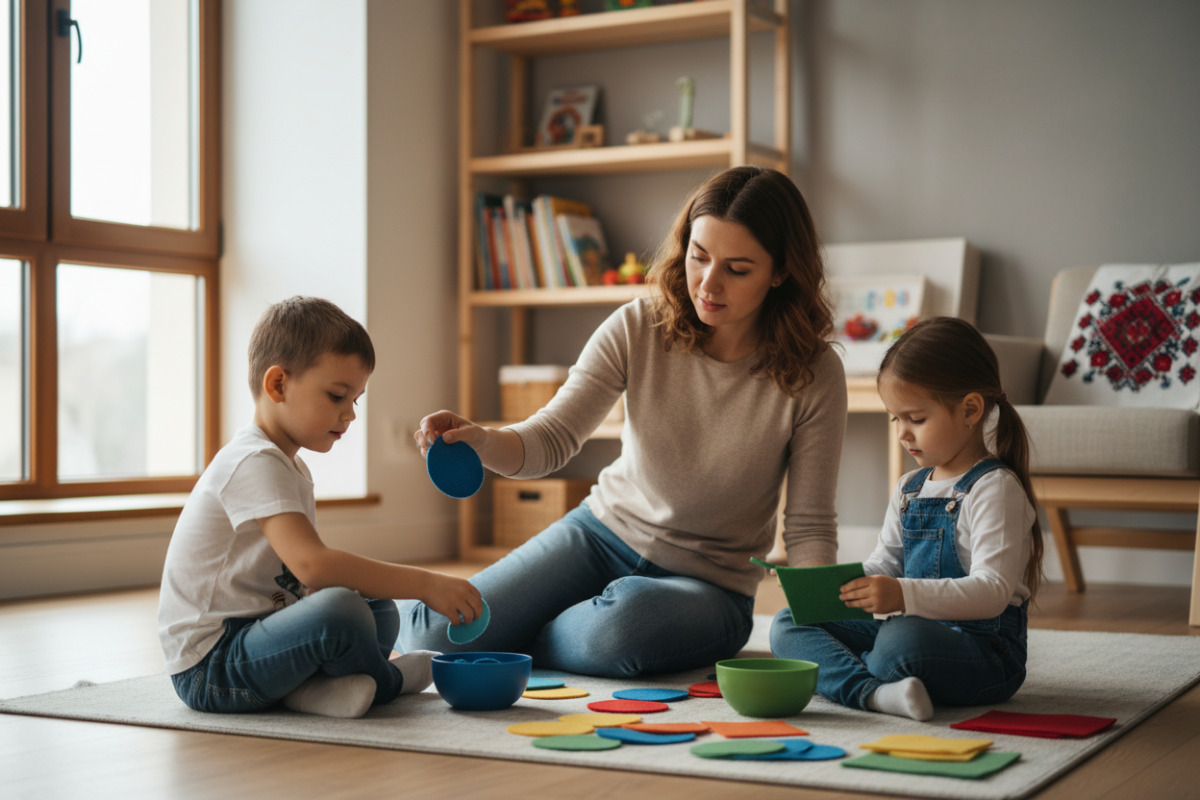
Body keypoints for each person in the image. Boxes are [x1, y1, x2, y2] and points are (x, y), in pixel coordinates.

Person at [400, 165, 847, 678]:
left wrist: (825, 624)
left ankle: (532, 634)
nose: (708, 283)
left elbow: (809, 526)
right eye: (699, 256)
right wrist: (482, 441)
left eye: (738, 269)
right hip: (597, 536)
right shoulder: (639, 324)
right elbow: (551, 438)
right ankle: (551, 629)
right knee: (433, 635)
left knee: (622, 629)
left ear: (781, 271)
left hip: (710, 587)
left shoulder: (815, 372)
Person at [157, 297, 482, 718]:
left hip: (256, 635)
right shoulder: (253, 461)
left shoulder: (288, 465)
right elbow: (312, 565)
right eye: (336, 396)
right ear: (278, 385)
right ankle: (387, 681)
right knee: (341, 611)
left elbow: (297, 577)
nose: (350, 415)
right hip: (211, 667)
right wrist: (425, 584)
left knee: (378, 609)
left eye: (355, 400)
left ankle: (314, 690)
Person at [770, 316, 1044, 721]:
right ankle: (876, 693)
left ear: (970, 410)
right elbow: (885, 564)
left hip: (984, 652)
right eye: (895, 418)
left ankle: (860, 671)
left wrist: (901, 595)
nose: (902, 433)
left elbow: (993, 591)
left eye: (916, 419)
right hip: (909, 630)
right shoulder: (909, 488)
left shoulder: (995, 488)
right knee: (789, 623)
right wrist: (821, 586)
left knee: (899, 640)